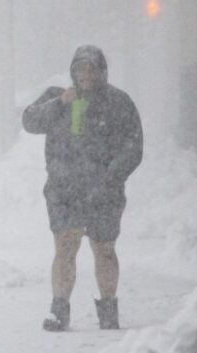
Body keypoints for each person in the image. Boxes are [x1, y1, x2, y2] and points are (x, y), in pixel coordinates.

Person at [22, 45, 143, 331]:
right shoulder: (58, 97)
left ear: (102, 72)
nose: (85, 75)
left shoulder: (118, 102)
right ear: (72, 72)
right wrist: (60, 103)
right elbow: (29, 120)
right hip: (64, 190)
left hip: (104, 192)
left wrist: (111, 177)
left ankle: (109, 309)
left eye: (91, 69)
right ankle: (59, 310)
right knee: (65, 247)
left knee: (104, 249)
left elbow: (134, 147)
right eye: (79, 69)